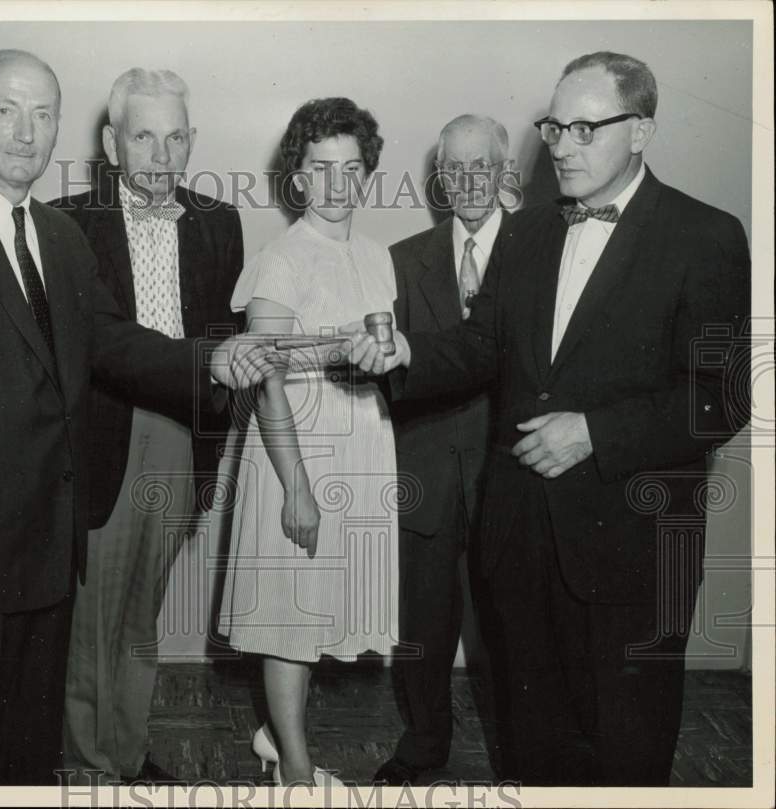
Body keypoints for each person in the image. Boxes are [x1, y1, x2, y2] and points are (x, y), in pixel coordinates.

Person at [0, 49, 271, 786]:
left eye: (43, 114)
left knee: (24, 755)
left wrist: (208, 361)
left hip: (46, 553)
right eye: (6, 110)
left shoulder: (59, 237)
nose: (26, 132)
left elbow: (112, 339)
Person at [347, 52, 750, 786]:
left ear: (642, 131)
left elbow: (719, 397)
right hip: (523, 543)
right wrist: (406, 350)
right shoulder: (527, 233)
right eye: (554, 126)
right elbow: (479, 346)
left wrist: (595, 430)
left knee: (626, 756)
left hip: (633, 551)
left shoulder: (706, 236)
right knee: (535, 751)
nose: (561, 144)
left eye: (584, 128)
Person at [49, 67, 244, 785]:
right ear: (111, 142)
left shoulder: (220, 222)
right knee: (91, 617)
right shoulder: (65, 223)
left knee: (142, 609)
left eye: (176, 137)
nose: (162, 155)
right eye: (144, 136)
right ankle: (85, 763)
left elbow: (220, 325)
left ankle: (124, 754)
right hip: (105, 434)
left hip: (180, 434)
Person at [217, 97, 398, 786]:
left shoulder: (379, 257)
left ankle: (275, 734)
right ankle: (294, 768)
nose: (336, 184)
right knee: (291, 613)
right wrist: (296, 484)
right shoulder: (280, 259)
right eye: (320, 168)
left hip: (360, 440)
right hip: (297, 447)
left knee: (320, 603)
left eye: (351, 168)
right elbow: (266, 382)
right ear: (297, 176)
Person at [374, 114, 513, 786]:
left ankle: (522, 752)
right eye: (453, 169)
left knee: (512, 629)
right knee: (422, 626)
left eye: (481, 166)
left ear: (505, 169)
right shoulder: (402, 259)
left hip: (507, 474)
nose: (468, 181)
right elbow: (390, 375)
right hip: (425, 471)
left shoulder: (542, 251)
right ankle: (425, 742)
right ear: (438, 180)